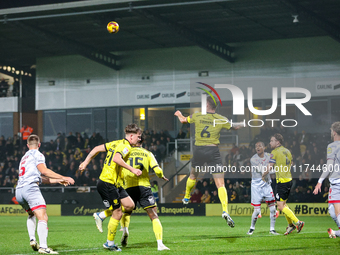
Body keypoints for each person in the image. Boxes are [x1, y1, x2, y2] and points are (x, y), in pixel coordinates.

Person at [91, 133, 170, 251]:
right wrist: (161, 175)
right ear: (142, 143)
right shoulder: (148, 153)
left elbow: (116, 163)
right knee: (153, 214)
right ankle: (160, 244)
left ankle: (123, 228)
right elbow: (157, 170)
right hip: (143, 186)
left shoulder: (125, 151)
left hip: (127, 185)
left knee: (126, 209)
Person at [174, 96, 242, 228]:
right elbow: (235, 127)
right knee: (220, 184)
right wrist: (243, 124)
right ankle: (225, 210)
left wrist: (179, 114)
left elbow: (183, 120)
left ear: (206, 106)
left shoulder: (198, 115)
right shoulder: (221, 118)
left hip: (199, 150)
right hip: (213, 152)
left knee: (193, 175)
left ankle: (187, 196)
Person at [79, 123, 142, 252]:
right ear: (131, 136)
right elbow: (116, 159)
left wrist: (85, 162)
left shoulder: (115, 143)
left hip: (115, 183)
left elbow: (96, 148)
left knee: (130, 205)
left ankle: (101, 215)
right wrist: (132, 169)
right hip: (108, 183)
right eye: (138, 137)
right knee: (117, 213)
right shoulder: (126, 147)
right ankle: (110, 243)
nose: (139, 139)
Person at [15, 134, 75, 254]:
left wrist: (58, 180)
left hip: (19, 190)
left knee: (32, 214)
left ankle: (33, 240)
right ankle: (43, 247)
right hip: (31, 189)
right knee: (43, 217)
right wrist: (64, 177)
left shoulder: (24, 157)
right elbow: (44, 171)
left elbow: (40, 178)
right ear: (39, 145)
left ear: (27, 145)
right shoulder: (38, 154)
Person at [262, 133, 304, 235]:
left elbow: (270, 166)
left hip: (282, 182)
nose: (270, 142)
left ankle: (298, 222)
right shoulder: (287, 151)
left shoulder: (274, 152)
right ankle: (290, 226)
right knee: (283, 204)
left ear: (278, 142)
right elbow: (291, 163)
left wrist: (263, 175)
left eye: (272, 140)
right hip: (289, 180)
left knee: (280, 206)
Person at [313, 122, 340, 238]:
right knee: (332, 210)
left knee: (336, 212)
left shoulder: (332, 146)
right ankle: (337, 232)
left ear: (334, 132)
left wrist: (320, 181)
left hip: (337, 183)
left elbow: (329, 166)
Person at [247, 141, 279, 235]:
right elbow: (263, 171)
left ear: (264, 147)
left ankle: (272, 229)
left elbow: (275, 162)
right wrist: (276, 170)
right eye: (256, 146)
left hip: (266, 185)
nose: (257, 148)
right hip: (256, 187)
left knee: (273, 209)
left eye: (260, 146)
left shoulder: (269, 156)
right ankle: (251, 228)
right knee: (257, 211)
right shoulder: (253, 159)